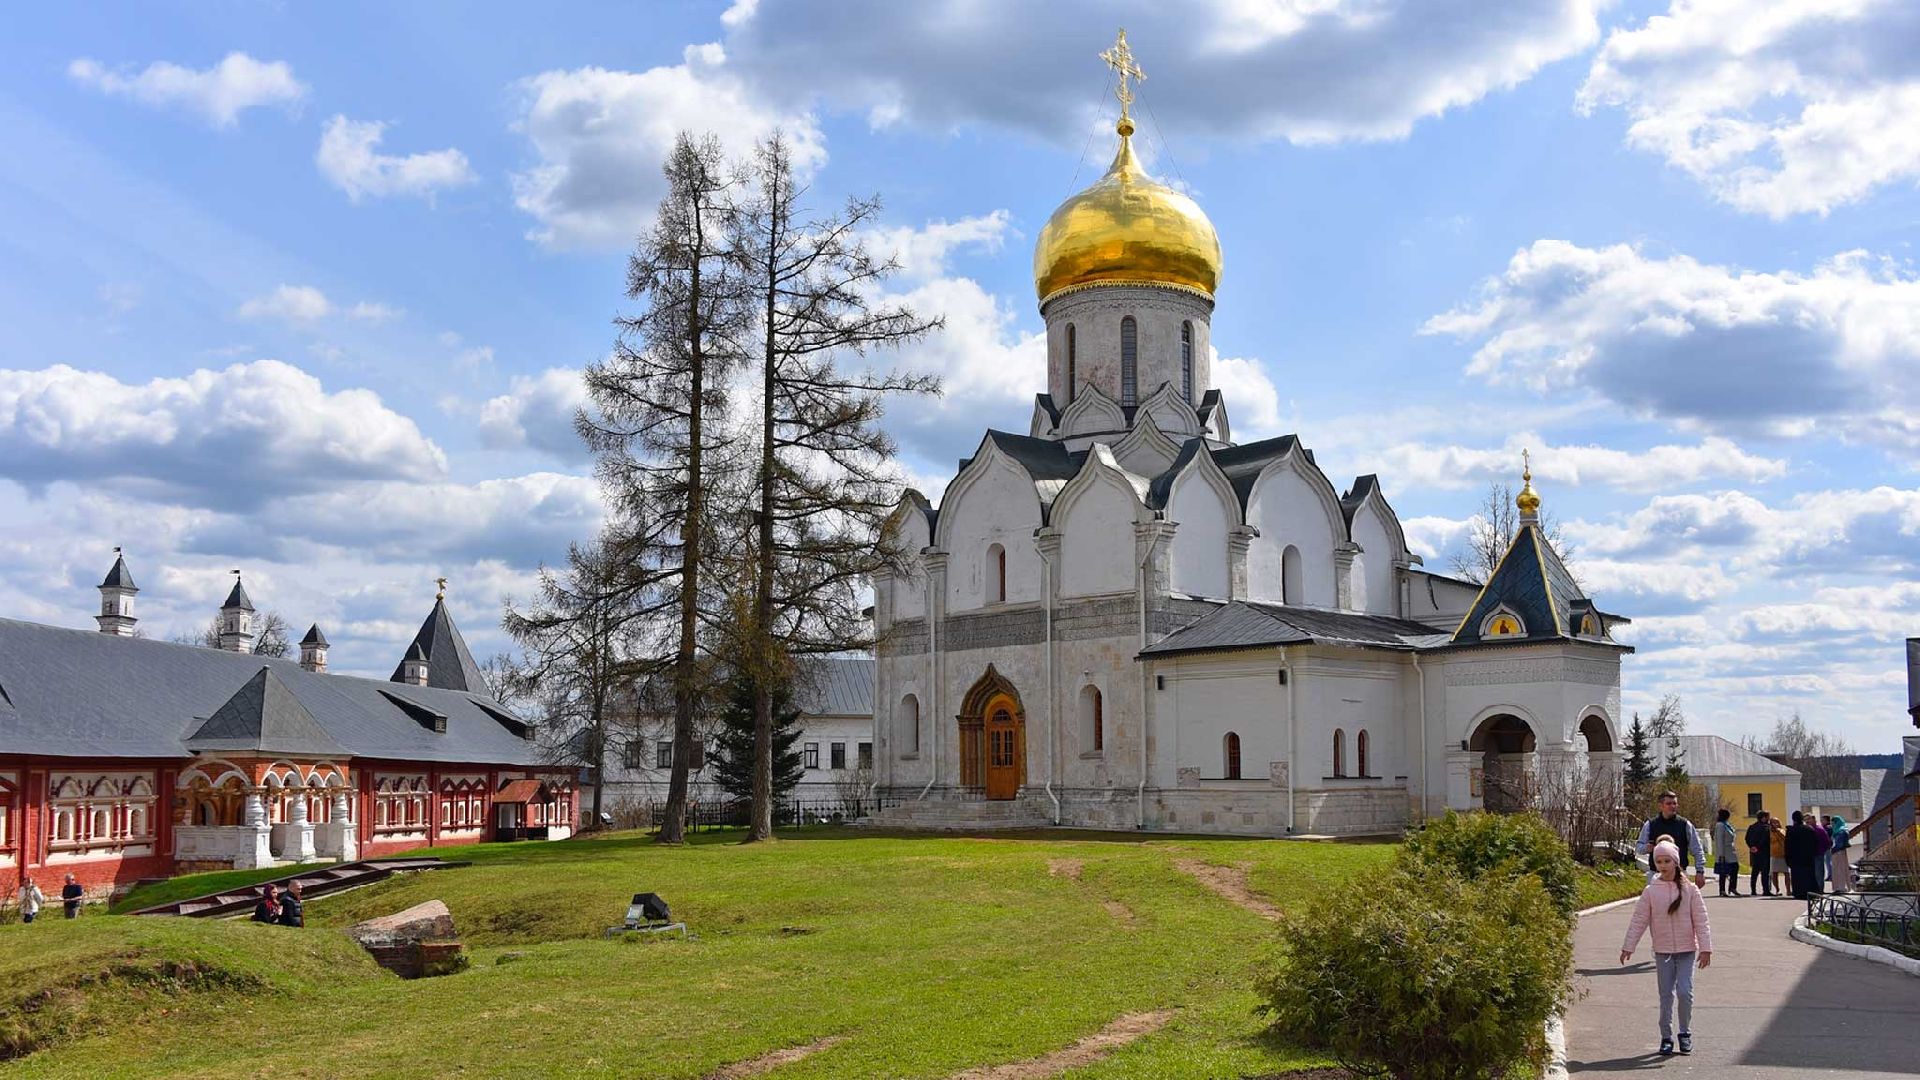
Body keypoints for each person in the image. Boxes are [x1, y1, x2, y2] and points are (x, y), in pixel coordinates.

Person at [1621, 838, 1713, 1057]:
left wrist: (1706, 948)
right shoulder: (1651, 891)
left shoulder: (1690, 890)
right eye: (1659, 861)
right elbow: (1639, 920)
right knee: (1666, 996)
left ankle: (1684, 1033)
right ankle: (1666, 1037)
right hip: (1663, 952)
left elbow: (1701, 920)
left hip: (1686, 951)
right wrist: (1628, 946)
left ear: (1676, 862)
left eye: (1667, 861)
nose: (1663, 865)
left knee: (1684, 992)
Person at [1636, 791, 1707, 888]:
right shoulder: (1650, 825)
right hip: (1656, 876)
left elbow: (1697, 849)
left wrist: (1700, 871)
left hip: (1679, 875)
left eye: (1675, 803)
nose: (1673, 806)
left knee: (1681, 903)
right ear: (1661, 806)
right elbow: (1639, 847)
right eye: (1669, 803)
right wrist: (1647, 848)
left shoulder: (1685, 825)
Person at [1785, 811, 1821, 900]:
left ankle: (1799, 893)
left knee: (1797, 876)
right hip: (1808, 857)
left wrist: (1787, 858)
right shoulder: (1809, 829)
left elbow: (1787, 846)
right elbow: (1816, 842)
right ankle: (1811, 892)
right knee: (1809, 875)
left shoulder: (1791, 830)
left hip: (1795, 858)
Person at [1712, 808, 1741, 897]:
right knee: (1723, 871)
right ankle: (1722, 890)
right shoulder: (1720, 825)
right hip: (1724, 851)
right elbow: (1719, 840)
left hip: (1730, 850)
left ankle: (1732, 887)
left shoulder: (1727, 825)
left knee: (1735, 867)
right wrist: (1721, 854)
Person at [1745, 812, 1775, 897]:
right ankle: (1766, 890)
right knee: (1765, 872)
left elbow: (1747, 838)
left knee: (1755, 872)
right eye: (1767, 817)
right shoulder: (1766, 828)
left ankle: (1753, 890)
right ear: (1764, 818)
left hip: (1754, 852)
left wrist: (1751, 847)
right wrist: (1758, 847)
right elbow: (1765, 839)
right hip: (1764, 852)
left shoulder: (1751, 827)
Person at [1828, 815, 1853, 895]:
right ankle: (1838, 887)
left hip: (1839, 852)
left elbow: (1839, 844)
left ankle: (1842, 887)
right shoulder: (1838, 830)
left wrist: (1834, 849)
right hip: (1837, 852)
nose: (1832, 825)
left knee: (1840, 870)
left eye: (1833, 823)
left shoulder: (1841, 831)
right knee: (1837, 870)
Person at [1809, 813, 1832, 892]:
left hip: (1818, 854)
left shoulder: (1819, 829)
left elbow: (1827, 842)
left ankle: (1819, 889)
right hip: (1810, 855)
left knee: (1819, 873)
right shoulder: (1808, 829)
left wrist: (1822, 850)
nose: (1807, 822)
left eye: (1809, 820)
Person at [1768, 816, 1787, 896]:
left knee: (1786, 873)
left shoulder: (1782, 831)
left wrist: (1778, 831)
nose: (1776, 824)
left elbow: (1785, 838)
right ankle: (1777, 889)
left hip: (1783, 854)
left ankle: (1788, 890)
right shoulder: (1769, 832)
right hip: (1774, 854)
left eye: (1777, 822)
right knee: (1774, 873)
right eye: (1773, 822)